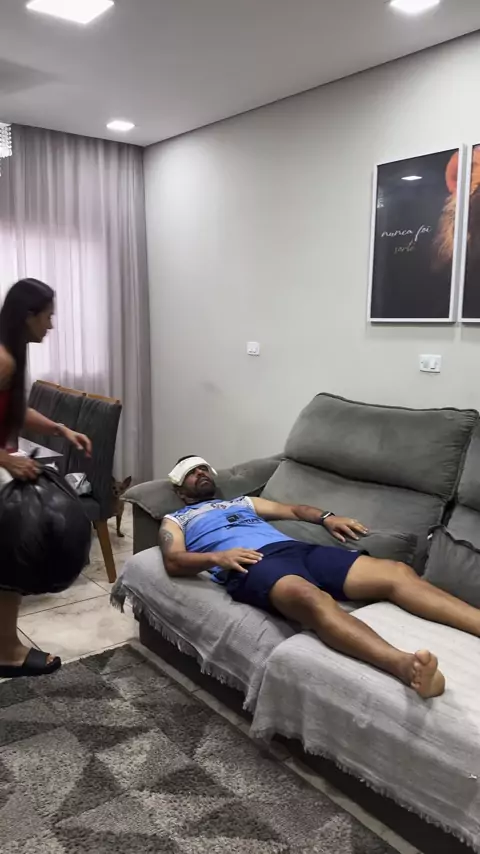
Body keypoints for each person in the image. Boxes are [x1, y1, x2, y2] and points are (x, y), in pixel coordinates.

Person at [160, 456, 480, 700]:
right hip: (251, 563)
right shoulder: (177, 519)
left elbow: (294, 511)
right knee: (310, 598)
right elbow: (173, 561)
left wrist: (327, 518)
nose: (201, 473)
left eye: (204, 468)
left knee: (396, 572)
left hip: (297, 550)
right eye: (191, 472)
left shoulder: (241, 502)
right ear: (179, 490)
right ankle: (406, 667)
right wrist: (217, 558)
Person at [0, 278, 92, 678]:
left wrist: (60, 429)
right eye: (48, 316)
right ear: (28, 316)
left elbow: (14, 413)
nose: (51, 325)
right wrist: (6, 461)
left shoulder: (10, 358)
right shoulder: (3, 361)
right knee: (9, 559)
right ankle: (7, 651)